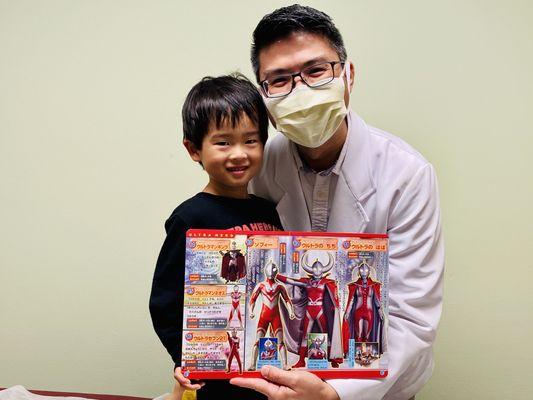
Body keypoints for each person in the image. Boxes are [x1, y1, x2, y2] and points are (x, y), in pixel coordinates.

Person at [230, 4, 444, 400]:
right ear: (264, 97)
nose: (301, 91)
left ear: (348, 75)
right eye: (279, 80)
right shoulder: (257, 166)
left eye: (315, 71)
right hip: (280, 379)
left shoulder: (406, 175)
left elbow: (410, 317)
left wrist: (338, 395)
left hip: (379, 387)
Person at [149, 73, 282, 400]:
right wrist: (185, 358)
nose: (239, 153)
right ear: (194, 149)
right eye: (223, 142)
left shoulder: (270, 210)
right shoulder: (190, 217)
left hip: (268, 362)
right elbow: (165, 301)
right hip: (216, 373)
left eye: (251, 140)